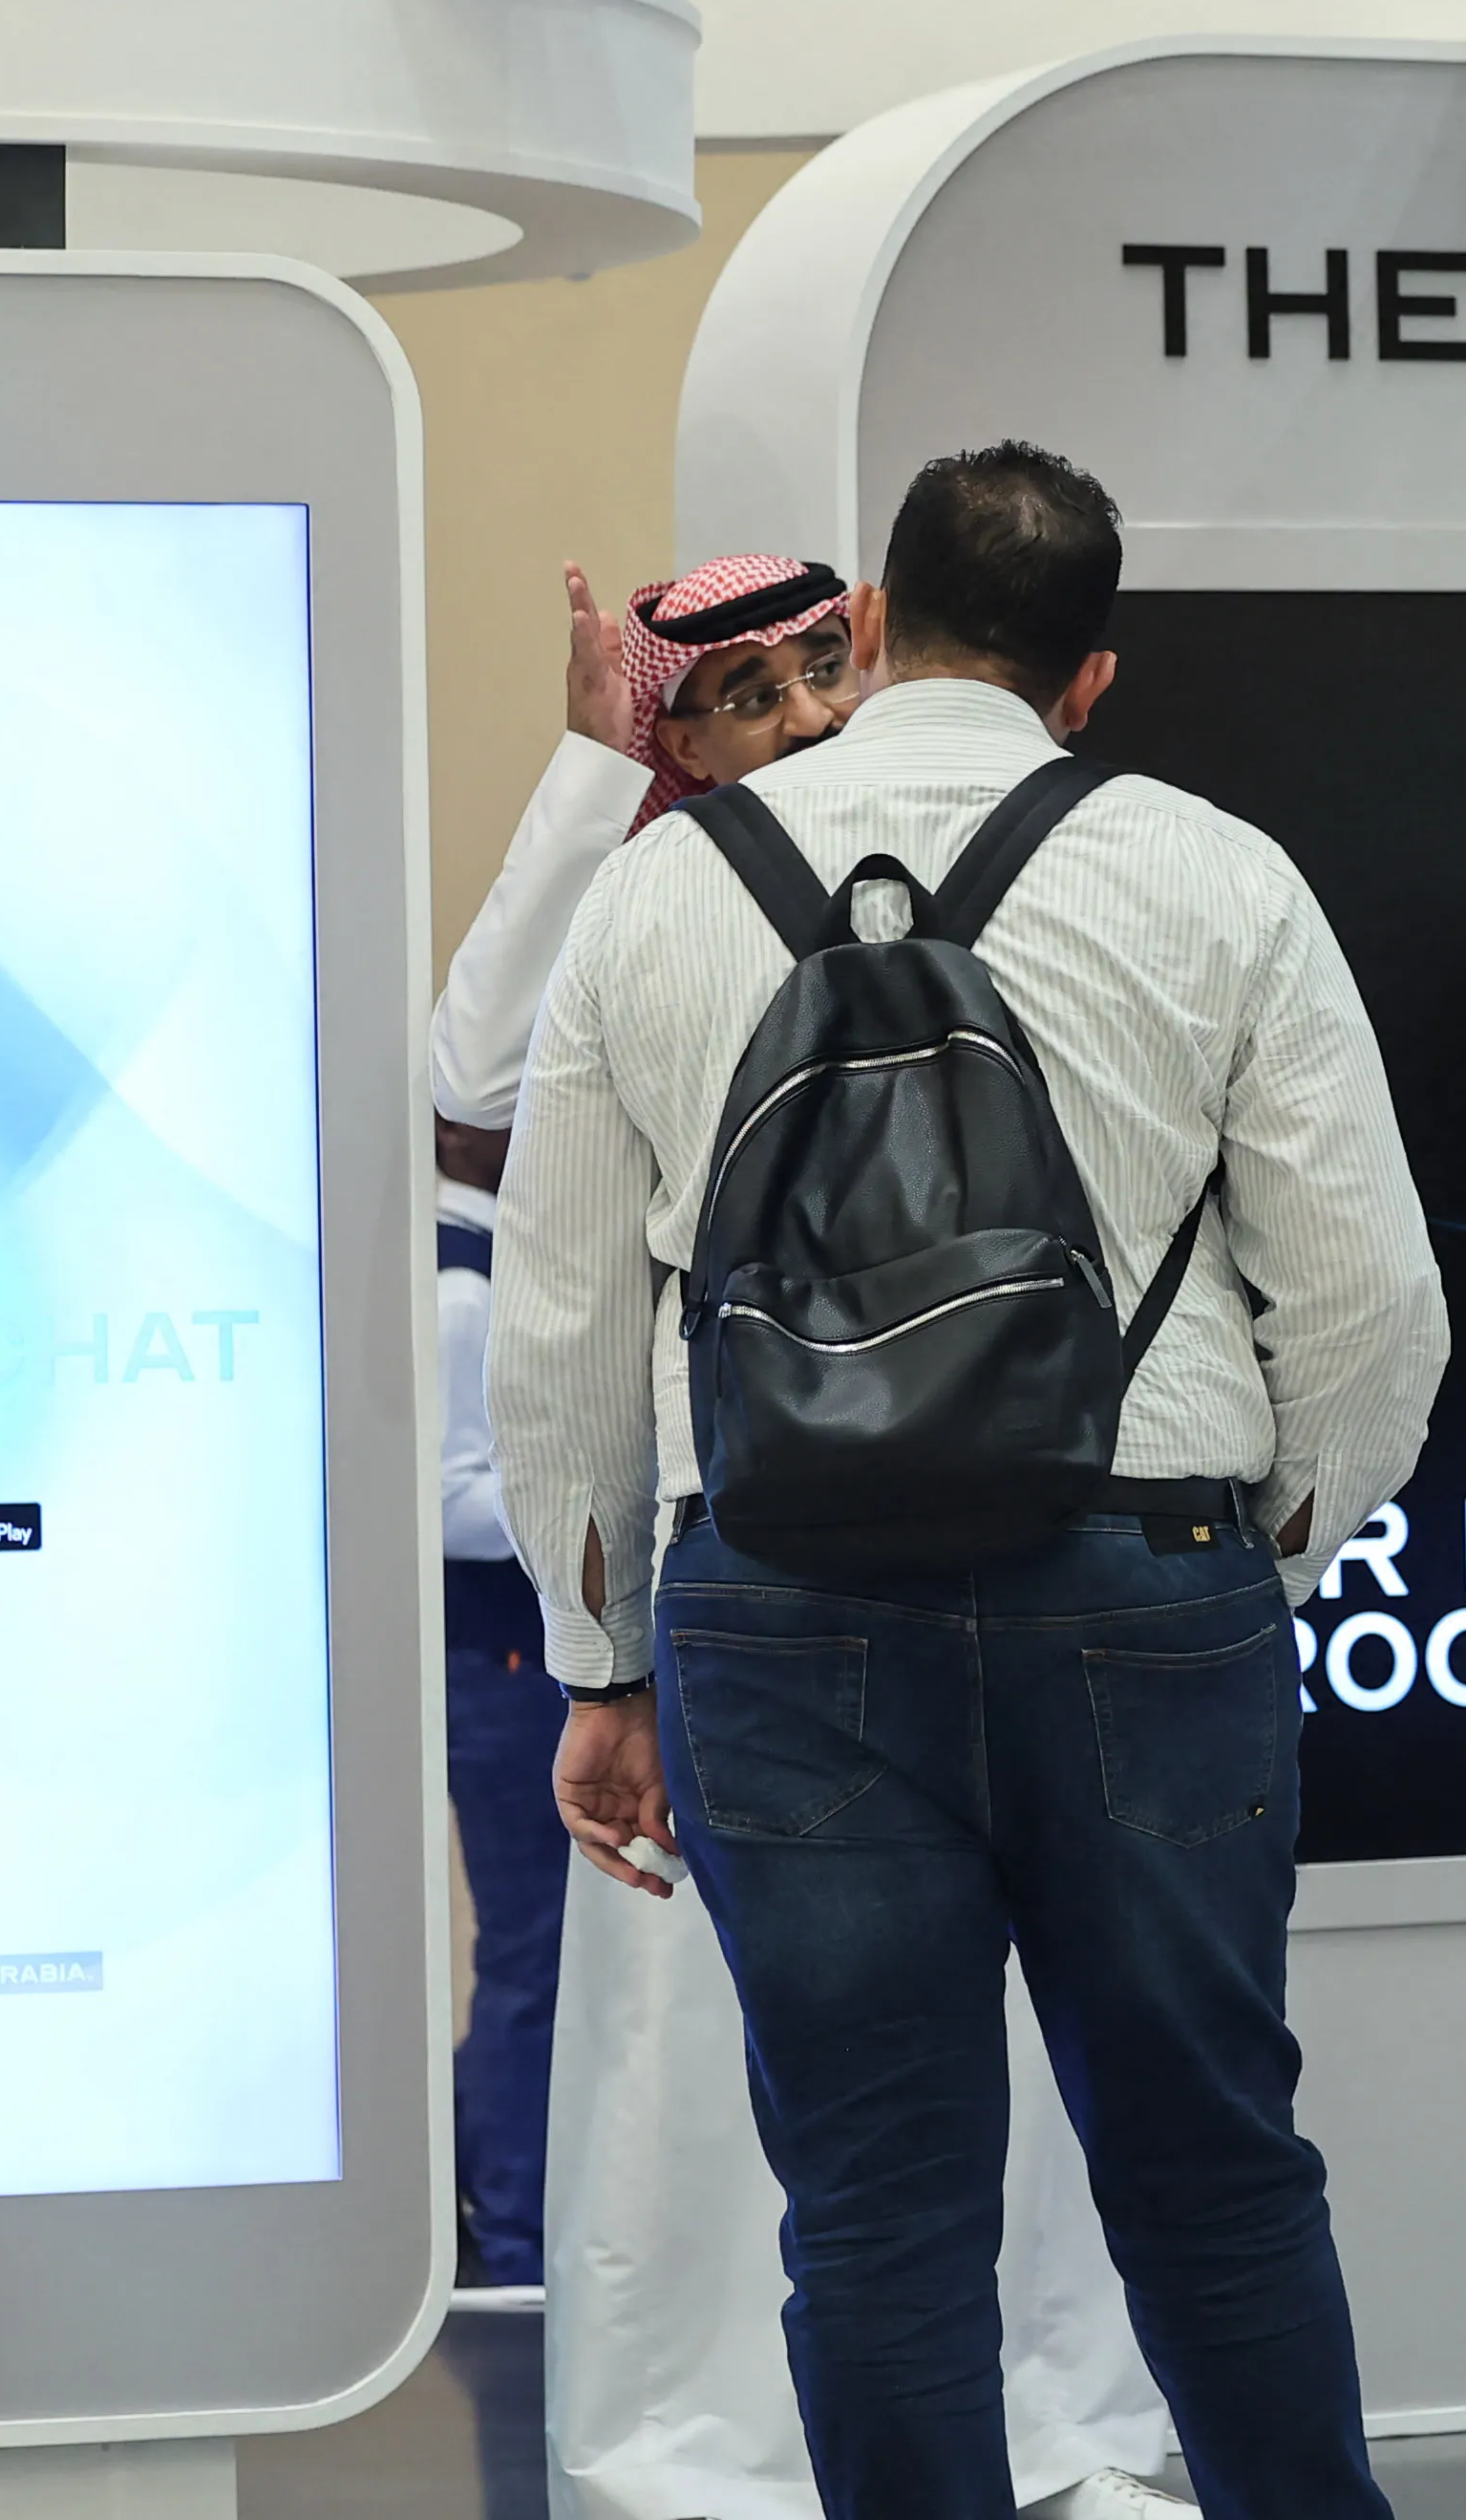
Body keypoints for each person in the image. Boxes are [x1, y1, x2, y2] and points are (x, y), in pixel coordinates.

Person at [490, 443, 1449, 2520]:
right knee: (1213, 2172)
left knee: (873, 2209)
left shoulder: (662, 887)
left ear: (867, 627)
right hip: (1147, 1585)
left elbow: (557, 1323)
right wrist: (1256, 1559)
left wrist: (602, 1662)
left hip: (780, 1609)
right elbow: (1373, 1309)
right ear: (1086, 680)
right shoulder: (1213, 873)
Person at [432, 555, 1181, 2520]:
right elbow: (473, 1081)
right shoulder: (656, 896)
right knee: (718, 2046)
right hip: (742, 1568)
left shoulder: (977, 845)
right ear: (674, 735)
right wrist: (590, 771)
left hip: (1017, 1527)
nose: (793, 718)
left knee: (1009, 2035)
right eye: (739, 695)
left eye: (814, 672)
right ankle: (731, 2453)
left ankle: (1043, 2430)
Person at [436, 1100, 573, 2292]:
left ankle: (512, 2210)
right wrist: (584, 1501)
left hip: (509, 1662)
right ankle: (517, 2233)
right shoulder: (456, 1284)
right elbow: (442, 1505)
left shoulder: (479, 1260)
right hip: (500, 1662)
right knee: (533, 1950)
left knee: (535, 1949)